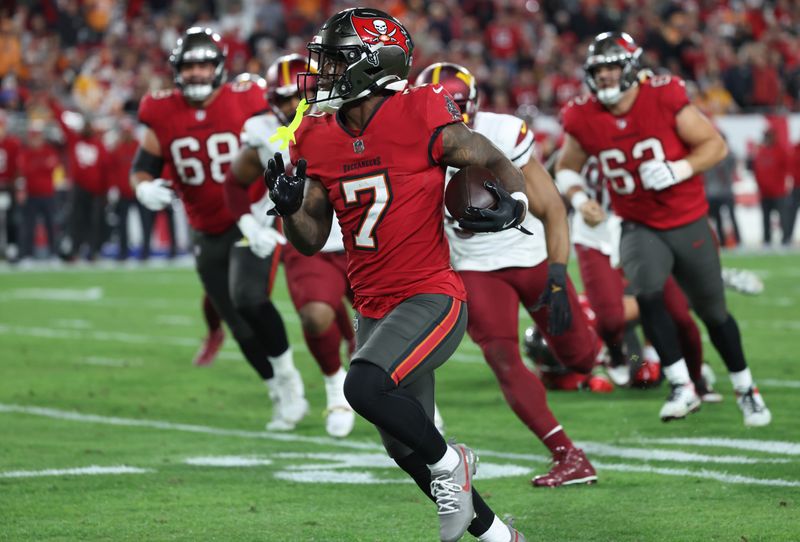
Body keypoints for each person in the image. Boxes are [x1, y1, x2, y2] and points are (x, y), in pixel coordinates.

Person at [268, 8, 526, 542]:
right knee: (404, 447)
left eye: (337, 61)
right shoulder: (314, 135)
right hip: (372, 305)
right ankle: (500, 536)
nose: (325, 74)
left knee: (363, 386)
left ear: (372, 65)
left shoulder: (421, 110)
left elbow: (492, 158)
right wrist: (292, 207)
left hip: (431, 296)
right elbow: (311, 240)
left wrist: (515, 201)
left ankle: (452, 459)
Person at [556, 31, 770, 426]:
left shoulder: (665, 95)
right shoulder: (582, 116)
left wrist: (679, 168)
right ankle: (680, 386)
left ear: (632, 68)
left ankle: (746, 389)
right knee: (649, 294)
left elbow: (715, 146)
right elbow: (566, 165)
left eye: (612, 68)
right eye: (598, 70)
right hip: (636, 223)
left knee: (713, 313)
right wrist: (578, 194)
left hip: (686, 219)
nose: (604, 77)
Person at [415, 62, 598, 488]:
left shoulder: (502, 132)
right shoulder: (413, 144)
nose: (451, 122)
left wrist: (557, 274)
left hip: (531, 257)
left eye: (457, 111)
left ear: (474, 108)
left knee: (582, 359)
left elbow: (552, 207)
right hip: (477, 268)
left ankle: (604, 328)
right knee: (501, 358)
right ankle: (568, 455)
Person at [131, 27, 308, 431]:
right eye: (189, 66)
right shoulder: (160, 111)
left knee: (247, 296)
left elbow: (282, 128)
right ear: (177, 70)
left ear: (219, 67)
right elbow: (143, 167)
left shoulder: (246, 98)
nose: (196, 73)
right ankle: (275, 387)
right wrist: (143, 189)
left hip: (252, 216)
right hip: (203, 226)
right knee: (236, 320)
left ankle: (290, 378)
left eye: (203, 64)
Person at [225, 58, 355, 438]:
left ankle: (420, 404)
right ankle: (335, 387)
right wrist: (248, 222)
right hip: (309, 237)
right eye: (282, 98)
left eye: (298, 94)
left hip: (360, 232)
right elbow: (235, 182)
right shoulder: (264, 131)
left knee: (386, 324)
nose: (291, 104)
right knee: (316, 315)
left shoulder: (348, 115)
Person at [48, 98, 110, 261]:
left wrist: (105, 190)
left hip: (96, 190)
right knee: (76, 220)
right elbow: (62, 122)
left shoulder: (99, 144)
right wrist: (52, 104)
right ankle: (75, 249)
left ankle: (93, 251)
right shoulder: (75, 139)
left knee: (94, 222)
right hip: (78, 187)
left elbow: (105, 169)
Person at [18, 120, 60, 260]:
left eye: (38, 136)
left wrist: (36, 166)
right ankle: (27, 255)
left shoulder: (49, 150)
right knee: (28, 226)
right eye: (33, 136)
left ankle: (54, 254)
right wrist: (41, 165)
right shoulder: (26, 152)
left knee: (51, 225)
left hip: (47, 194)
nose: (36, 139)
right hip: (31, 194)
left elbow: (52, 167)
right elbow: (26, 170)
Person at [750, 126, 792, 247]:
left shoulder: (781, 151)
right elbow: (757, 170)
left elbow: (787, 169)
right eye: (766, 136)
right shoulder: (761, 151)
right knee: (765, 218)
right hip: (765, 192)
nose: (767, 138)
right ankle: (767, 240)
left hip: (779, 192)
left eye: (769, 135)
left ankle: (786, 239)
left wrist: (785, 184)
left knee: (783, 217)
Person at [0, 110, 21, 261]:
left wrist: (17, 186)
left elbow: (17, 168)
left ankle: (12, 247)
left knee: (11, 219)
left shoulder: (12, 144)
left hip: (7, 187)